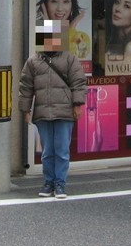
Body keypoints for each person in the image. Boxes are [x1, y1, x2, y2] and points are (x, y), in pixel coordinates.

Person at [19, 19, 86, 199]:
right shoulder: (33, 61)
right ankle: (48, 182)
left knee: (62, 150)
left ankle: (60, 184)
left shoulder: (70, 59)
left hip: (64, 111)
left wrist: (77, 105)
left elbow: (79, 83)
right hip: (42, 112)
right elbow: (25, 87)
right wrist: (25, 109)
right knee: (48, 150)